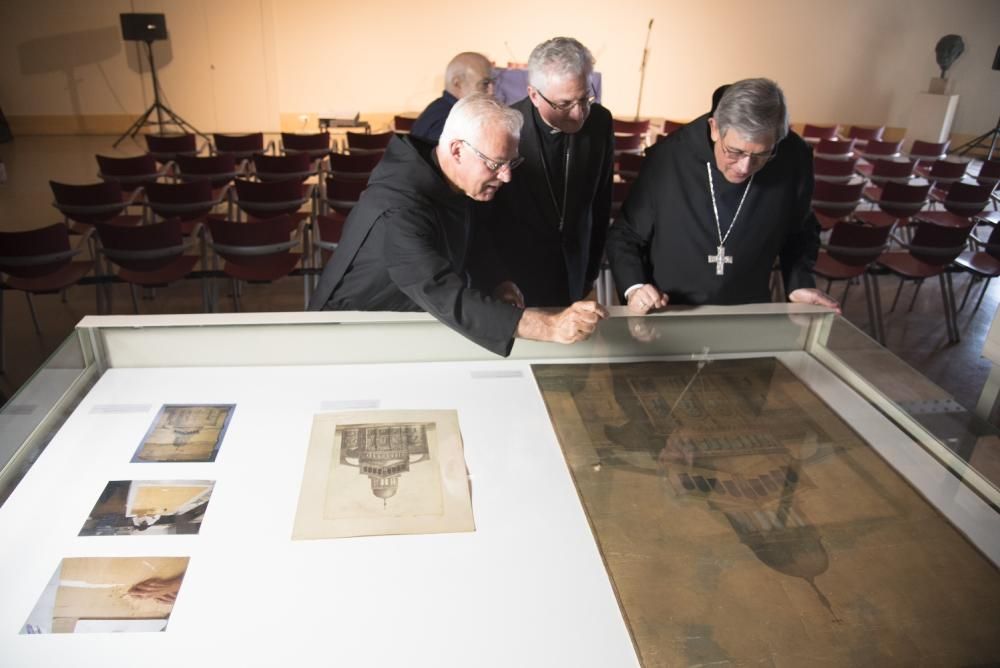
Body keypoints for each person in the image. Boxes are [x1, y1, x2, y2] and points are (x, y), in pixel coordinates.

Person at [308, 94, 607, 356]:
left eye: (511, 163)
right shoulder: (398, 205)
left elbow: (473, 238)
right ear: (456, 150)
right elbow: (440, 290)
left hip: (408, 322)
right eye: (495, 163)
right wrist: (549, 326)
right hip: (347, 335)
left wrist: (498, 281)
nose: (506, 177)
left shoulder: (452, 176)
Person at [605, 78, 839, 314]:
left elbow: (800, 232)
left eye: (762, 154)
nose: (745, 167)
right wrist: (635, 288)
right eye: (735, 151)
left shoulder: (793, 157)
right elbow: (625, 234)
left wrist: (799, 283)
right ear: (715, 128)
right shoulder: (670, 157)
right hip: (670, 311)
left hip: (749, 312)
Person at [473, 37, 614, 307]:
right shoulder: (505, 127)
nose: (578, 114)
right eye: (564, 104)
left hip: (576, 271)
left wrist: (590, 271)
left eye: (585, 98)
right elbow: (485, 218)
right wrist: (498, 279)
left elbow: (600, 201)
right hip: (516, 277)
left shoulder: (600, 121)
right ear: (534, 94)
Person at [411, 52, 496, 143]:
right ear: (457, 83)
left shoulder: (442, 109)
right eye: (485, 84)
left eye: (493, 83)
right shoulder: (449, 122)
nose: (491, 92)